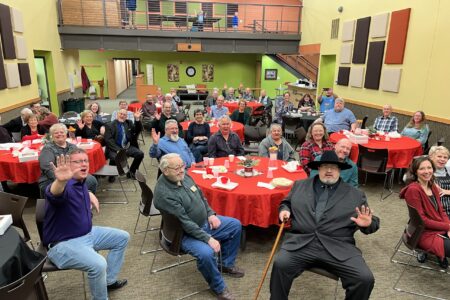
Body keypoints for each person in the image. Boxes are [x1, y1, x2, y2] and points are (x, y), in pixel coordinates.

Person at [270, 150, 379, 300]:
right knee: (280, 264)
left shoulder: (355, 195)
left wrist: (367, 224)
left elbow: (372, 221)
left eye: (333, 167)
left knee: (364, 278)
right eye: (325, 166)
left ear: (339, 170)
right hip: (301, 243)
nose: (329, 170)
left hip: (338, 246)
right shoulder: (300, 185)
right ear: (318, 168)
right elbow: (286, 202)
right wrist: (284, 210)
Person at [153, 153, 244, 300]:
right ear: (165, 171)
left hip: (203, 222)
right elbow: (185, 223)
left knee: (235, 225)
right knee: (207, 253)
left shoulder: (183, 176)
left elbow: (200, 195)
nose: (182, 170)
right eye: (176, 168)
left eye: (182, 165)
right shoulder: (165, 194)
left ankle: (225, 264)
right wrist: (208, 238)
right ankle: (218, 287)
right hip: (183, 234)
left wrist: (210, 213)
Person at [43, 149, 129, 300]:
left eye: (85, 161)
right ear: (68, 166)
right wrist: (60, 181)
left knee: (122, 237)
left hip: (87, 234)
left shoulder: (82, 181)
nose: (83, 164)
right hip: (63, 244)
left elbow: (79, 186)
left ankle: (108, 281)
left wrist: (89, 193)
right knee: (98, 264)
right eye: (78, 161)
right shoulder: (64, 186)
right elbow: (54, 193)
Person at [400, 156, 450, 268]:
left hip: (436, 227)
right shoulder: (413, 190)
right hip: (423, 233)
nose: (427, 171)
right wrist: (448, 226)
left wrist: (448, 227)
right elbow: (423, 221)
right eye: (422, 169)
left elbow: (441, 210)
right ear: (415, 172)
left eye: (429, 167)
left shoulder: (432, 186)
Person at [39, 123, 98, 196]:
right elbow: (47, 168)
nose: (59, 134)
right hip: (52, 179)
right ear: (52, 136)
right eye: (56, 133)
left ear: (66, 133)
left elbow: (80, 162)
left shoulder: (73, 147)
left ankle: (84, 201)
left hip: (73, 175)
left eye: (62, 132)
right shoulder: (48, 148)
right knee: (68, 188)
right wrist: (63, 180)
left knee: (91, 180)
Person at [104, 108, 143, 180]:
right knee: (116, 157)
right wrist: (118, 150)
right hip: (113, 148)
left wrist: (137, 119)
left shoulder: (129, 123)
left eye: (124, 115)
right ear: (117, 115)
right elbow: (108, 140)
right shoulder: (109, 125)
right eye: (121, 114)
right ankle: (112, 175)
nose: (122, 116)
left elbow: (137, 130)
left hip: (126, 147)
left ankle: (131, 172)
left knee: (140, 154)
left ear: (126, 117)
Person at [429, 146, 450, 218]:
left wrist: (445, 191)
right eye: (439, 156)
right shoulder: (426, 171)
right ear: (431, 157)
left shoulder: (448, 170)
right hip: (436, 210)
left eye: (445, 157)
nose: (442, 159)